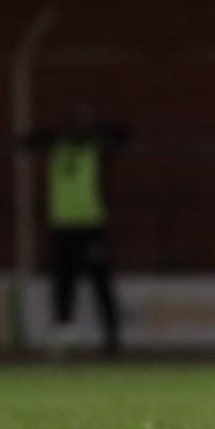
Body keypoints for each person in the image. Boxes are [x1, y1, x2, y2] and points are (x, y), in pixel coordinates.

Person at [24, 105, 129, 356]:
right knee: (63, 282)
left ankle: (111, 335)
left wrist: (94, 132)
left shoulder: (94, 149)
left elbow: (123, 135)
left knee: (100, 282)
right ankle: (64, 333)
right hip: (63, 226)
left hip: (91, 225)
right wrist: (59, 135)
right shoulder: (57, 149)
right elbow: (27, 141)